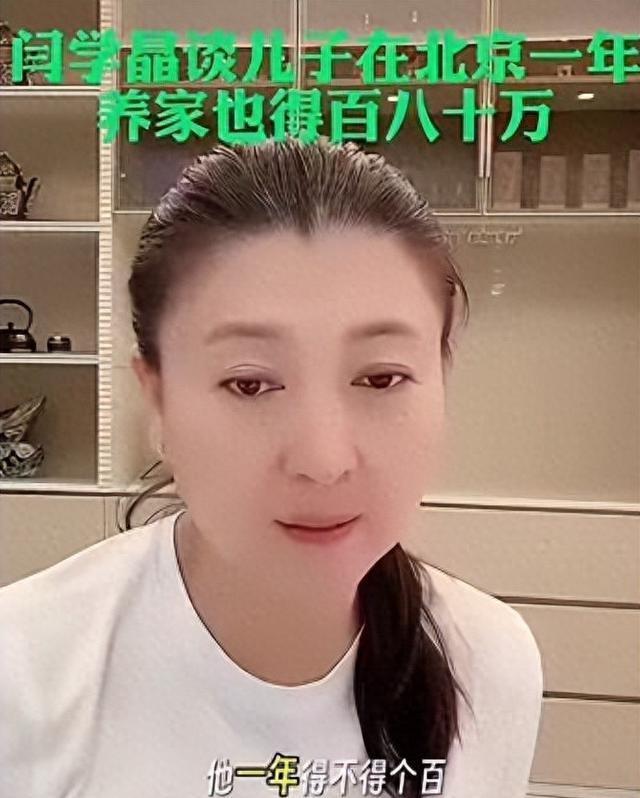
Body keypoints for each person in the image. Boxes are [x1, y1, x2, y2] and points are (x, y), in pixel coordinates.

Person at [0, 136, 543, 798]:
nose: (323, 462)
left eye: (380, 378)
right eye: (250, 384)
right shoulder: (24, 672)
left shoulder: (487, 661)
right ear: (158, 402)